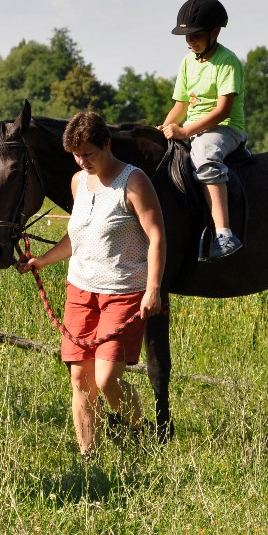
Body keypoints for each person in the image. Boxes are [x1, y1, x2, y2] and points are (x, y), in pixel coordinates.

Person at [17, 111, 166, 456]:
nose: (82, 161)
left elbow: (157, 236)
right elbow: (79, 235)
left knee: (106, 380)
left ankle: (139, 432)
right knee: (79, 380)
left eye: (88, 153)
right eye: (76, 155)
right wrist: (44, 260)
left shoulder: (134, 182)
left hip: (123, 292)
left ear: (107, 144)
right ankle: (89, 456)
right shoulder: (78, 182)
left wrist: (154, 289)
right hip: (80, 290)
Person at [159, 0, 247, 258]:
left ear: (215, 32)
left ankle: (224, 234)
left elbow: (223, 110)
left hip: (224, 128)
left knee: (205, 157)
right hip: (193, 126)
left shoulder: (227, 62)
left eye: (196, 35)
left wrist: (186, 131)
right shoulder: (188, 62)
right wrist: (163, 128)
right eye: (187, 36)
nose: (190, 41)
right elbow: (180, 106)